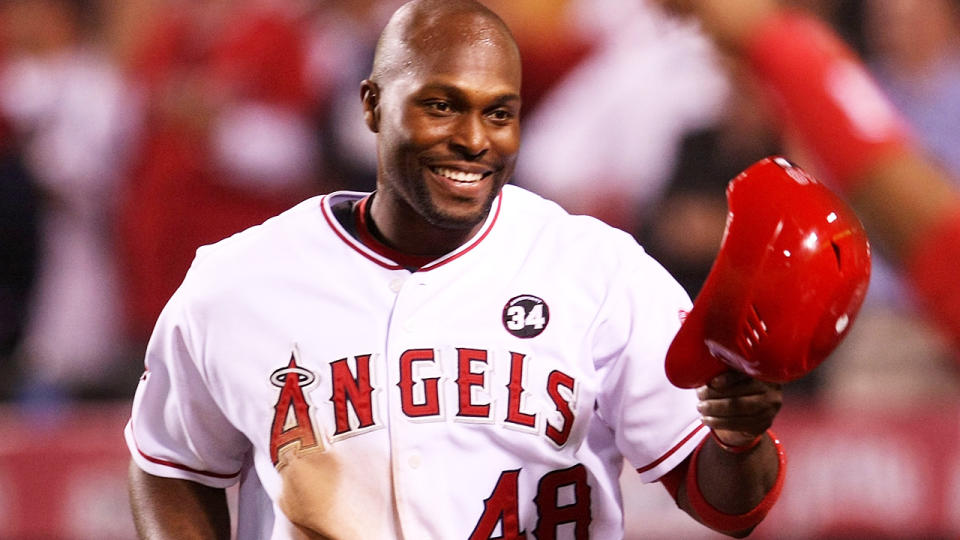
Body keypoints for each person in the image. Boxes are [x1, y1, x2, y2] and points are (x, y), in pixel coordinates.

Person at [125, 1, 785, 538]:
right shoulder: (239, 281)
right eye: (441, 105)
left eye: (499, 112)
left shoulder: (598, 271)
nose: (475, 139)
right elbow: (170, 463)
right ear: (372, 105)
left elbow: (728, 505)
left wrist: (736, 441)